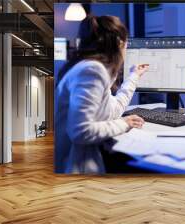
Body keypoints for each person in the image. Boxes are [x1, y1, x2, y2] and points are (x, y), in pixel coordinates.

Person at [55, 15, 149, 174]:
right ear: (120, 44)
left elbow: (113, 110)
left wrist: (134, 76)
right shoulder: (92, 70)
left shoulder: (90, 68)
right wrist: (124, 124)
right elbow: (80, 131)